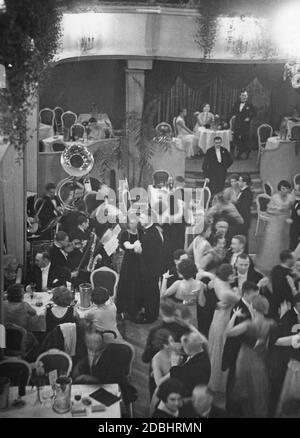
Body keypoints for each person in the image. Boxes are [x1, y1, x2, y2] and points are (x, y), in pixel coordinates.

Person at [226, 295, 275, 418]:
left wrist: (234, 316)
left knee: (245, 392)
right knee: (259, 391)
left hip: (245, 359)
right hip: (262, 359)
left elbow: (228, 333)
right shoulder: (271, 323)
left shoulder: (247, 324)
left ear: (253, 308)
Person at [222, 281, 260, 415]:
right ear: (246, 294)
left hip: (244, 352)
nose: (257, 298)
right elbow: (235, 334)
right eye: (255, 296)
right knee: (233, 382)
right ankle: (232, 410)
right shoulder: (240, 309)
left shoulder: (248, 306)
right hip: (237, 352)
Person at [142, 299, 190, 397]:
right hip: (179, 369)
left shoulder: (155, 331)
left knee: (157, 395)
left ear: (161, 312)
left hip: (158, 371)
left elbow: (146, 357)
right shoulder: (185, 329)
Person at [207, 264, 239, 396]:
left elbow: (209, 284)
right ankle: (218, 383)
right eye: (232, 274)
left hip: (219, 316)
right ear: (226, 275)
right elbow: (240, 300)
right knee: (220, 351)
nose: (235, 276)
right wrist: (237, 291)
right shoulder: (226, 292)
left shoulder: (217, 281)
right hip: (224, 320)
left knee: (216, 349)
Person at [271, 294, 300, 417]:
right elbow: (276, 340)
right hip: (291, 361)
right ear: (298, 305)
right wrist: (296, 339)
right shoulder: (289, 317)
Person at [256, 180, 293, 273]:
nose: (285, 190)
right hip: (275, 222)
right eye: (283, 189)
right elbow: (269, 210)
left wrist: (289, 216)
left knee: (284, 241)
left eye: (287, 188)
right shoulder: (275, 198)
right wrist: (278, 211)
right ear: (280, 189)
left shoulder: (291, 197)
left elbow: (291, 209)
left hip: (285, 222)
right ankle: (271, 264)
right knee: (273, 242)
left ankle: (283, 263)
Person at [161, 258, 206, 328]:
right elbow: (202, 303)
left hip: (180, 314)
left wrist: (164, 279)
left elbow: (163, 295)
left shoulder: (178, 284)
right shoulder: (200, 284)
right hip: (192, 316)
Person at [137, 209, 164, 323]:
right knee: (151, 292)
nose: (140, 220)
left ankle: (150, 316)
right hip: (151, 269)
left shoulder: (151, 234)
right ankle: (151, 313)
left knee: (151, 293)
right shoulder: (150, 231)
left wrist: (138, 249)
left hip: (150, 270)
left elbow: (148, 254)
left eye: (142, 218)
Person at [116, 216, 142, 319]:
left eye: (134, 222)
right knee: (127, 283)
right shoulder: (125, 234)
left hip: (139, 262)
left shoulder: (140, 232)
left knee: (137, 284)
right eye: (130, 223)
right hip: (128, 263)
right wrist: (135, 245)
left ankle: (136, 307)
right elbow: (126, 245)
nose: (132, 225)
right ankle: (125, 307)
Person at [230, 90, 256, 159]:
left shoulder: (249, 105)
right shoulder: (236, 103)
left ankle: (241, 152)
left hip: (245, 125)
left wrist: (249, 118)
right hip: (237, 124)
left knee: (244, 138)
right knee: (235, 139)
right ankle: (246, 149)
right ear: (240, 96)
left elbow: (254, 113)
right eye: (242, 95)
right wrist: (231, 117)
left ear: (247, 96)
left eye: (245, 95)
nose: (243, 97)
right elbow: (232, 111)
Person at [270, 250, 296, 317]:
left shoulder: (293, 272)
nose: (295, 259)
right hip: (282, 305)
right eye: (294, 258)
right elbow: (279, 288)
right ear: (288, 259)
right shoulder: (277, 271)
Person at [236, 173, 253, 241]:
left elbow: (244, 208)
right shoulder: (243, 191)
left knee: (243, 238)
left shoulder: (247, 193)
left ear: (245, 183)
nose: (238, 182)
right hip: (241, 218)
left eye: (240, 181)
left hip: (243, 219)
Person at [290, 185, 300, 251]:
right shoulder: (295, 200)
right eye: (294, 189)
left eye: (296, 190)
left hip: (297, 227)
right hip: (293, 225)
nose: (294, 191)